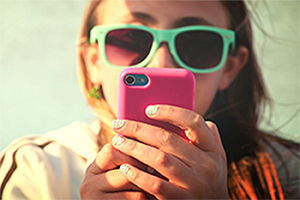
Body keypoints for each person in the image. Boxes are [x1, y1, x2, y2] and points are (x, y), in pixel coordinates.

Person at [0, 0, 299, 199]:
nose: (161, 63)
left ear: (230, 67)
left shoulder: (290, 172)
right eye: (130, 38)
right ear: (93, 62)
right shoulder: (38, 168)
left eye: (197, 42)